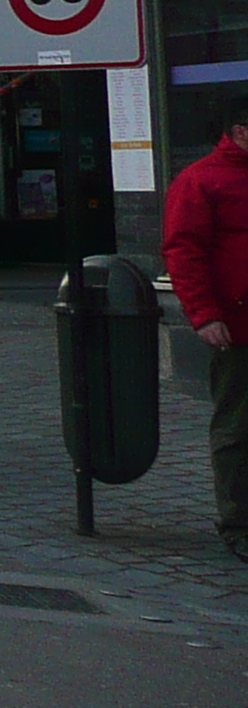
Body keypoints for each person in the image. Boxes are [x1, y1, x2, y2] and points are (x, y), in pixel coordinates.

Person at [160, 93, 248, 567]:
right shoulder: (202, 181)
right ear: (239, 133)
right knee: (237, 425)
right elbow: (184, 251)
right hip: (238, 324)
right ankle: (238, 520)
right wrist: (205, 314)